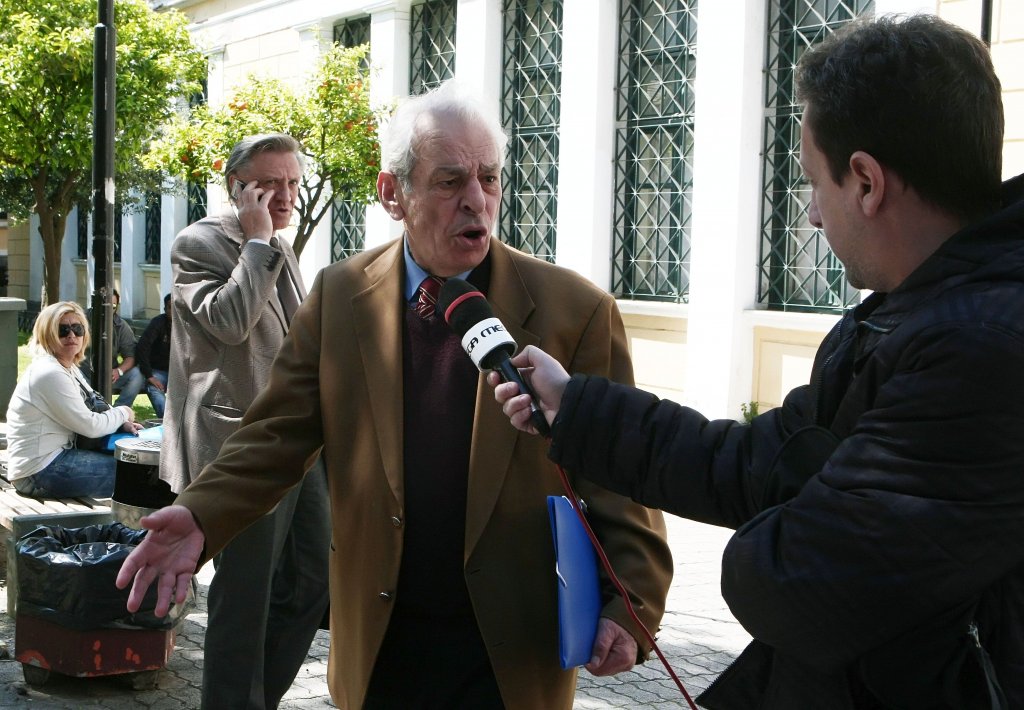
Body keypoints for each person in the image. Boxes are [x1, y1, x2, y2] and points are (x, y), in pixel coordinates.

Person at [490, 14, 1024, 709]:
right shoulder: (897, 319)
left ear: (867, 182)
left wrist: (784, 514)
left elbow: (794, 583)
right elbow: (750, 461)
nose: (811, 216)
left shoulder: (981, 348)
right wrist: (578, 407)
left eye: (814, 183)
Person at [117, 81, 672, 709]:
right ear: (392, 194)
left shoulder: (576, 311)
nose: (477, 201)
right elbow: (276, 433)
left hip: (511, 650)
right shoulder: (341, 296)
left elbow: (620, 472)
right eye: (449, 181)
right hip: (381, 643)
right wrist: (201, 514)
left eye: (489, 178)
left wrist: (631, 604)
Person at [158, 133, 331, 710]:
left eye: (292, 183)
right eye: (270, 184)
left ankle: (256, 699)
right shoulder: (200, 243)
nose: (286, 195)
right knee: (245, 598)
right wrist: (256, 242)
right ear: (239, 187)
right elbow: (230, 322)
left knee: (311, 583)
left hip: (297, 443)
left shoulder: (281, 245)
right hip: (237, 447)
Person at [5, 301, 143, 498]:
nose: (71, 335)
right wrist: (124, 412)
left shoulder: (67, 367)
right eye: (62, 330)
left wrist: (122, 424)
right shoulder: (49, 372)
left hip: (52, 460)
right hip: (38, 472)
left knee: (136, 465)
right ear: (47, 335)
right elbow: (90, 425)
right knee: (136, 474)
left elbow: (95, 405)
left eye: (77, 329)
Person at [135, 294, 172, 418]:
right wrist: (149, 375)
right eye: (170, 307)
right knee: (154, 388)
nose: (174, 311)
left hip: (180, 375)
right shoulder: (158, 323)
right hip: (158, 371)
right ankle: (167, 421)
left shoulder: (188, 325)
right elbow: (142, 347)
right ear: (165, 309)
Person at [109, 289, 145, 408]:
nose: (109, 309)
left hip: (110, 375)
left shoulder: (121, 326)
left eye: (113, 306)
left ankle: (118, 411)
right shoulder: (82, 320)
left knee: (137, 375)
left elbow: (131, 355)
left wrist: (119, 371)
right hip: (84, 374)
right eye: (105, 305)